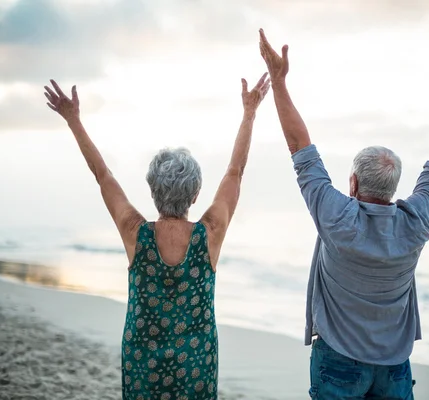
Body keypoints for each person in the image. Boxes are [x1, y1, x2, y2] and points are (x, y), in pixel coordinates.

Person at [258, 28, 429, 400]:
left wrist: (280, 82)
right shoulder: (416, 222)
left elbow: (298, 146)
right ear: (395, 187)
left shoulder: (335, 216)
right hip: (393, 364)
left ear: (352, 183)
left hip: (337, 359)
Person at [43, 73, 271, 399]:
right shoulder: (210, 234)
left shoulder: (135, 233)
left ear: (152, 191)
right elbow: (235, 171)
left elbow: (102, 175)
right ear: (195, 196)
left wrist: (73, 120)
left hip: (142, 358)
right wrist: (250, 112)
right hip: (196, 359)